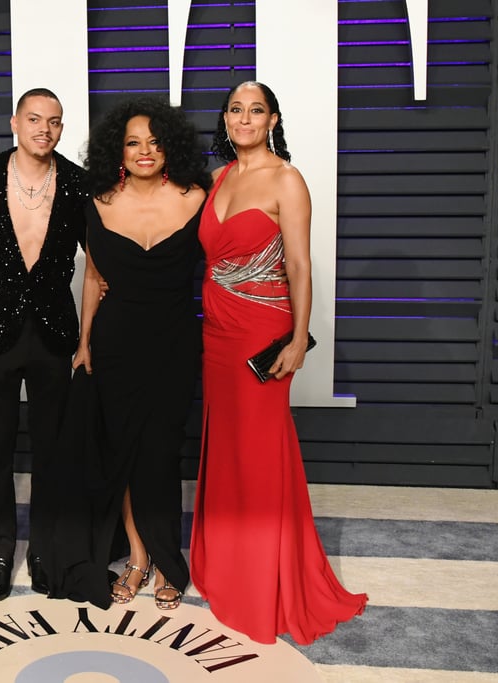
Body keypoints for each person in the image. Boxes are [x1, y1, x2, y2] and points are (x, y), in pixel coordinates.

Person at [189, 81, 367, 644]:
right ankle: (228, 563)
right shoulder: (218, 179)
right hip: (215, 334)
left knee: (261, 452)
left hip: (262, 334)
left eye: (255, 110)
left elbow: (299, 264)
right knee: (227, 448)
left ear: (272, 119)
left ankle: (265, 578)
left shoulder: (287, 179)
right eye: (236, 110)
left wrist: (297, 338)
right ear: (225, 119)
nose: (245, 118)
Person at [45, 96, 210, 610]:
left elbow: (222, 264)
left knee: (160, 455)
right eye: (133, 142)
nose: (144, 151)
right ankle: (138, 558)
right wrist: (84, 342)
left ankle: (167, 560)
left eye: (154, 142)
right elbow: (94, 276)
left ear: (170, 147)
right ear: (118, 149)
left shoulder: (197, 197)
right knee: (120, 454)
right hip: (114, 344)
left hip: (174, 343)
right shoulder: (98, 200)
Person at [0, 88, 90, 600]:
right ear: (15, 122)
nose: (45, 128)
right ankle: (1, 551)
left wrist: (88, 337)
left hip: (55, 332)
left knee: (51, 449)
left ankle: (41, 551)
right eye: (35, 119)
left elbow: (100, 261)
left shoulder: (80, 184)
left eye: (55, 121)